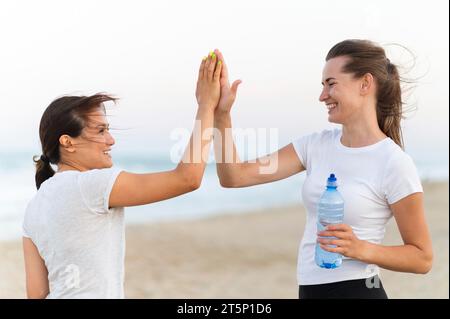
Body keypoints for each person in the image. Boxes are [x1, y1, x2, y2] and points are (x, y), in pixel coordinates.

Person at [212, 40, 433, 299]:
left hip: (359, 291)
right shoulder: (314, 146)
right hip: (309, 291)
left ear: (365, 84)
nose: (322, 96)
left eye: (331, 84)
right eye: (322, 86)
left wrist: (360, 248)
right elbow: (233, 176)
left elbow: (422, 257)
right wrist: (221, 114)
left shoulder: (393, 162)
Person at [22, 52, 222, 298]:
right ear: (68, 142)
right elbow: (188, 178)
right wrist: (207, 105)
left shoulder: (33, 207)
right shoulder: (91, 186)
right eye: (101, 130)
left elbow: (36, 293)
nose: (111, 139)